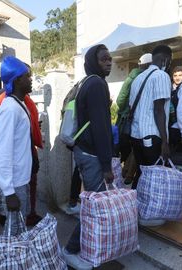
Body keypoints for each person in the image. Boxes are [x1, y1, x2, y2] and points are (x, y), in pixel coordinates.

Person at [61, 44, 114, 270]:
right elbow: (101, 128)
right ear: (94, 61)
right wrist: (106, 164)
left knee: (93, 203)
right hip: (92, 154)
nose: (109, 62)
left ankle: (87, 245)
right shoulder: (97, 85)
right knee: (95, 206)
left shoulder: (86, 82)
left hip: (83, 150)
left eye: (110, 59)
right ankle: (70, 250)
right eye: (104, 59)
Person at [128, 44, 172, 226]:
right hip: (152, 135)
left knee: (142, 172)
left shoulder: (138, 78)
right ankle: (147, 216)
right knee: (152, 176)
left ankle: (133, 210)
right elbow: (159, 109)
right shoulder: (161, 76)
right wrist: (165, 141)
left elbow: (131, 107)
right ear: (166, 60)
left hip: (136, 135)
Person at [0, 56, 34, 235]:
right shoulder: (9, 108)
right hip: (14, 183)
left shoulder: (19, 103)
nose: (31, 80)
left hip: (20, 179)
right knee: (14, 231)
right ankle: (11, 262)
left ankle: (17, 260)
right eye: (27, 76)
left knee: (18, 227)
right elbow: (1, 152)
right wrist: (9, 192)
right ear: (17, 80)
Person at [116, 53, 152, 162]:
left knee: (128, 151)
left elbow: (120, 101)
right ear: (149, 64)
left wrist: (125, 109)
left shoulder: (130, 78)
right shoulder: (150, 78)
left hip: (126, 120)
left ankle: (126, 174)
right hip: (144, 124)